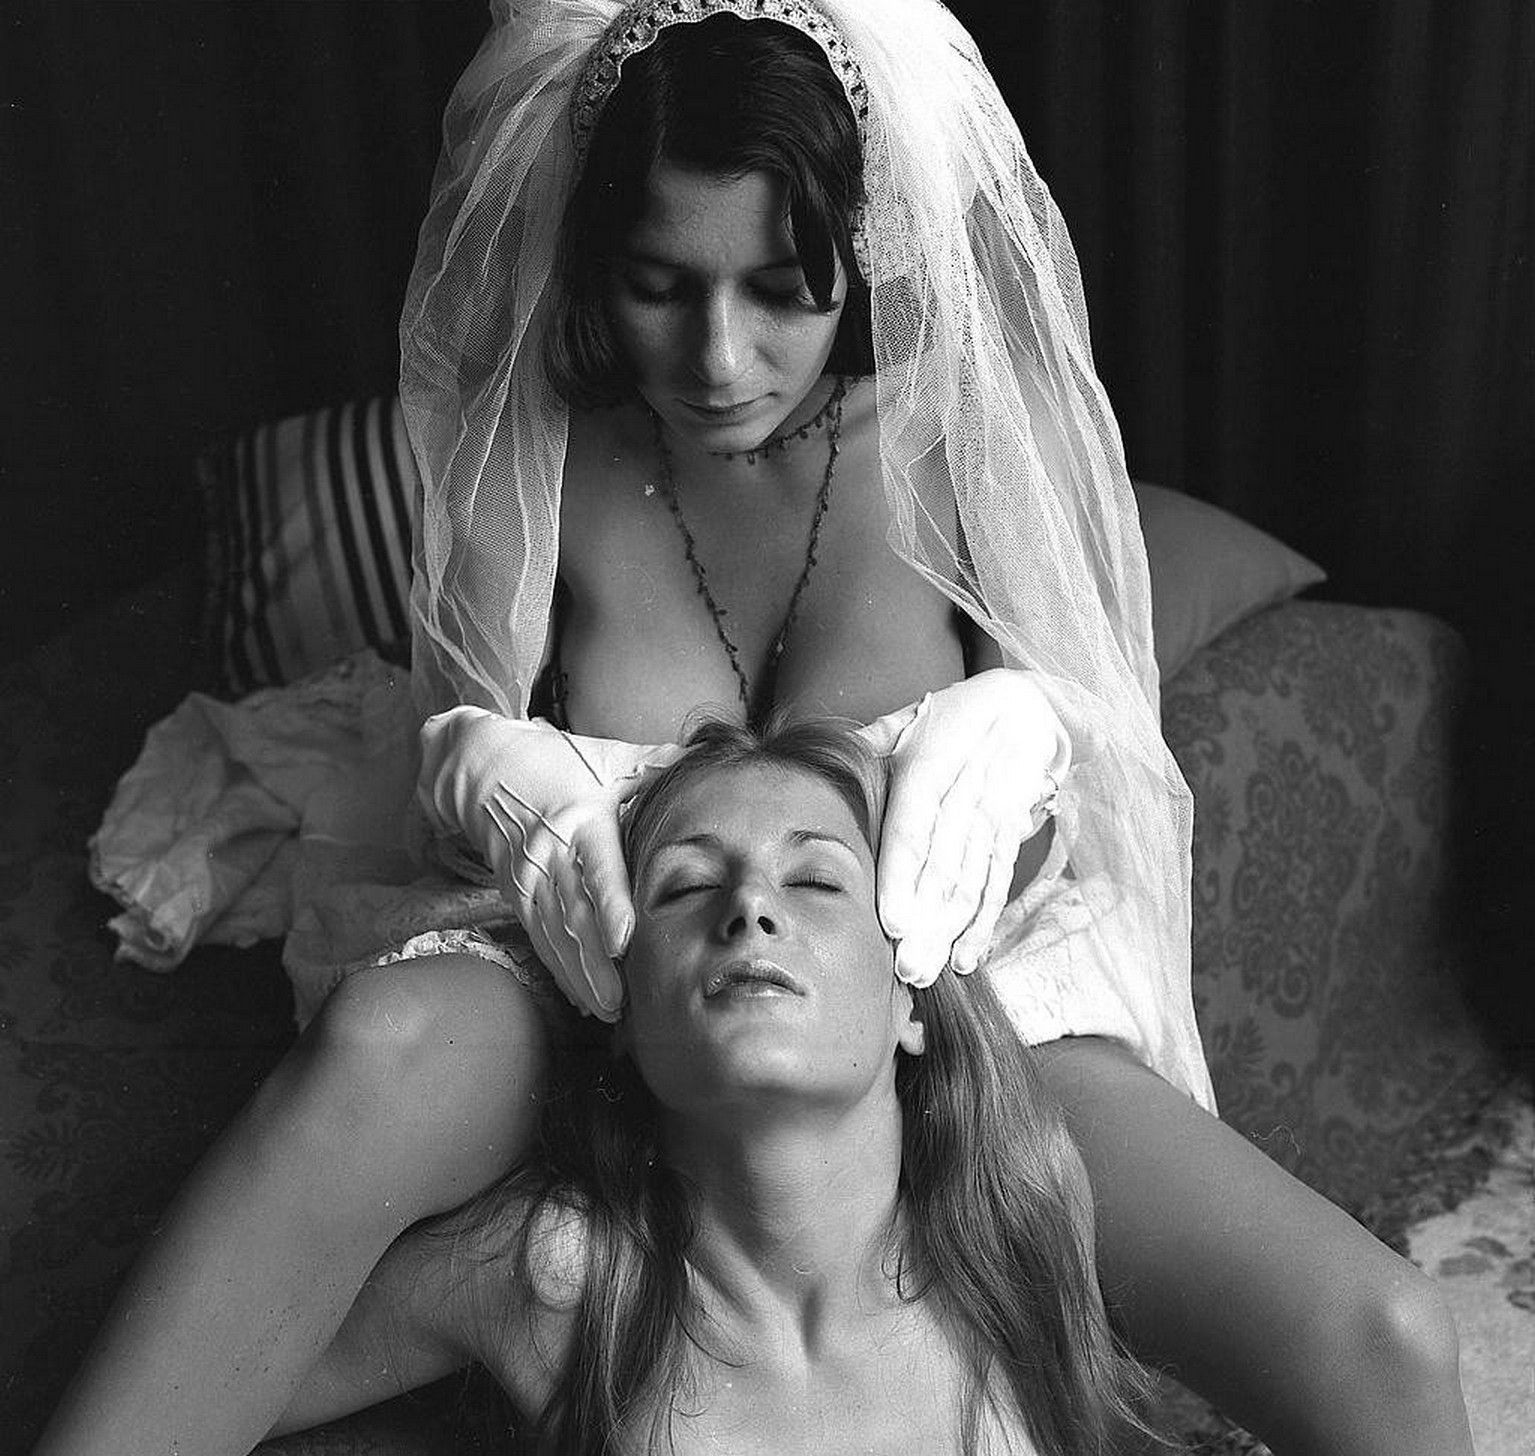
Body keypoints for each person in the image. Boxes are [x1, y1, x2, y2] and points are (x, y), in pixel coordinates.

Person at [36, 3, 1472, 1454]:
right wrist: (482, 770)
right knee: (385, 1038)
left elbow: (1092, 789)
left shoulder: (958, 437)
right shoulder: (530, 459)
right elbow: (457, 784)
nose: (718, 356)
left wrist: (1031, 732)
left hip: (940, 978)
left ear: (865, 247)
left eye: (781, 290)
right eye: (659, 286)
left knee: (1385, 1334)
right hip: (603, 960)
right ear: (593, 259)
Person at [266, 717, 1157, 1454]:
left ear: (911, 1000)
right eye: (686, 886)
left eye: (815, 880)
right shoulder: (554, 1273)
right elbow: (221, 1390)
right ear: (614, 1007)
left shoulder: (1022, 1226)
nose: (749, 907)